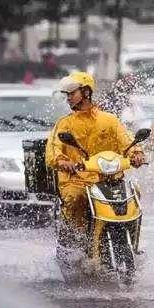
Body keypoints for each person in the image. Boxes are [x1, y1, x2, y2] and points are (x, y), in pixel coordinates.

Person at [45, 71, 145, 261]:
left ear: (86, 92)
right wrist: (63, 161)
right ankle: (74, 240)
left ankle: (133, 241)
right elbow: (53, 149)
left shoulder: (110, 120)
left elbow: (127, 141)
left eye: (71, 93)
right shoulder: (64, 124)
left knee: (135, 194)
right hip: (76, 180)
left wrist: (136, 153)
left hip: (108, 180)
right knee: (75, 199)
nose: (68, 99)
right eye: (66, 95)